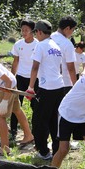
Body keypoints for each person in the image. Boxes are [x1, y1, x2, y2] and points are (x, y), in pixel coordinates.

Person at [27, 20, 64, 160]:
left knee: (39, 120)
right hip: (59, 87)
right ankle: (56, 150)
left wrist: (30, 87)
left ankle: (43, 152)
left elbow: (35, 67)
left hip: (46, 88)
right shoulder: (56, 46)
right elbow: (59, 68)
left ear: (40, 32)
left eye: (36, 32)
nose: (36, 35)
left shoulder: (40, 46)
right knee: (54, 119)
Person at [9, 19, 38, 142]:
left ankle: (36, 131)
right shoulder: (18, 44)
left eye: (26, 30)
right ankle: (13, 131)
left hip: (34, 78)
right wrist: (11, 78)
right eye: (22, 30)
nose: (24, 32)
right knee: (15, 104)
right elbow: (16, 61)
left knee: (36, 106)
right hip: (20, 77)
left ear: (33, 31)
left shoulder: (38, 44)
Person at [51, 16, 78, 89]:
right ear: (67, 28)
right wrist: (75, 86)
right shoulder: (67, 44)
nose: (72, 33)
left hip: (48, 82)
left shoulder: (49, 38)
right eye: (73, 30)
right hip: (64, 83)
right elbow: (71, 68)